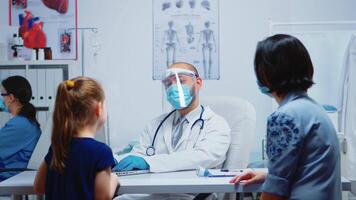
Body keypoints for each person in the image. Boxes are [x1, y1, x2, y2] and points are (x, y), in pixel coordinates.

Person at [230, 34, 341, 200]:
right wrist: (267, 175)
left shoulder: (284, 117)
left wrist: (273, 180)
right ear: (308, 69)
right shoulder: (316, 110)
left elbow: (275, 193)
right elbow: (310, 170)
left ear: (265, 74)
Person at [115, 62, 231, 200]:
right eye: (168, 84)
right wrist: (113, 160)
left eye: (181, 81)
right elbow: (138, 157)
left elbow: (203, 157)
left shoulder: (216, 124)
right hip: (151, 193)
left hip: (191, 195)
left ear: (198, 83)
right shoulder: (156, 124)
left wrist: (149, 162)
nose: (174, 88)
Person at [34, 77, 118, 199]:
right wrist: (113, 180)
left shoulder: (57, 148)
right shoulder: (101, 152)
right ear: (99, 109)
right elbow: (102, 198)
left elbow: (39, 187)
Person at [0, 75, 41, 181]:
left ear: (11, 98)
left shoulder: (20, 124)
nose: (1, 99)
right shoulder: (25, 122)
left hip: (9, 176)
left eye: (2, 94)